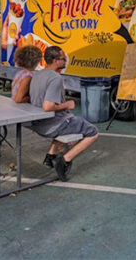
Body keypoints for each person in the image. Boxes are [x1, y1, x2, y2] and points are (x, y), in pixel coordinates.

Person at [28, 46, 98, 181]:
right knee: (93, 132)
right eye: (63, 59)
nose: (66, 61)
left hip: (37, 123)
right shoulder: (55, 78)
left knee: (68, 119)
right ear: (55, 61)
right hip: (52, 124)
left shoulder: (37, 75)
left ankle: (50, 156)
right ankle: (65, 160)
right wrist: (68, 104)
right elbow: (48, 106)